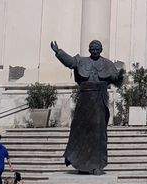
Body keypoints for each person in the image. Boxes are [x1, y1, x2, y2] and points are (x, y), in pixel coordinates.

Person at [50, 39, 124, 174]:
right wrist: (58, 52)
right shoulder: (82, 61)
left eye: (97, 49)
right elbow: (71, 62)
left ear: (101, 50)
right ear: (89, 50)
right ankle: (81, 164)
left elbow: (115, 80)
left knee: (98, 132)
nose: (95, 52)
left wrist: (120, 77)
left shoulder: (108, 64)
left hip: (99, 101)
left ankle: (96, 165)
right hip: (84, 100)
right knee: (80, 130)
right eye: (92, 49)